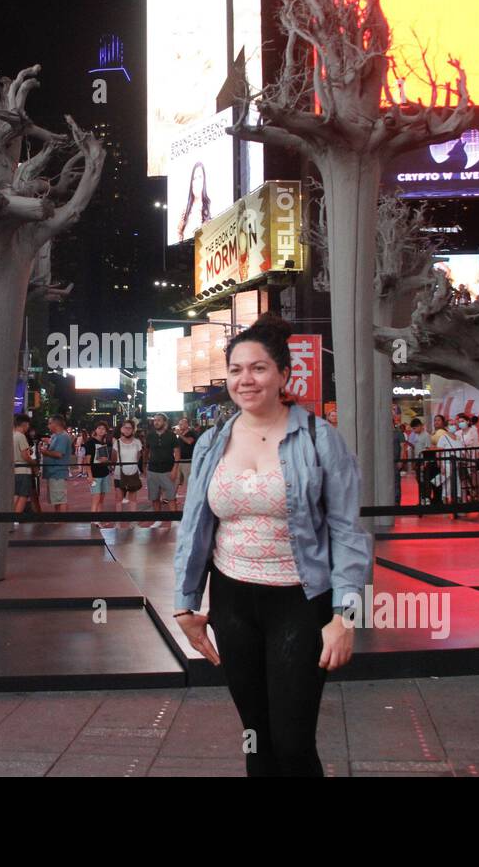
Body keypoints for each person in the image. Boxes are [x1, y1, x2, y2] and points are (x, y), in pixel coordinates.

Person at [173, 313, 372, 777]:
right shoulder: (211, 443)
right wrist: (185, 606)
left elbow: (347, 532)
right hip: (232, 602)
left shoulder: (321, 438)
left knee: (293, 741)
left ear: (283, 374)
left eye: (259, 368)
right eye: (237, 369)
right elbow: (195, 526)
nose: (246, 379)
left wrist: (346, 616)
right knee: (256, 737)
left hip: (301, 603)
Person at [144, 413, 178, 526]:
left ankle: (175, 520)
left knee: (171, 497)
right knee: (154, 497)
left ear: (165, 422)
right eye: (155, 420)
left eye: (159, 420)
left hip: (168, 470)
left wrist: (174, 469)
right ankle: (158, 520)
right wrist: (144, 466)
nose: (156, 422)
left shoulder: (172, 435)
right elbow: (146, 451)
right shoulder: (150, 435)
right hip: (152, 470)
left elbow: (177, 453)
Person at [83, 422, 114, 525]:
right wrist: (89, 475)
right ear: (95, 429)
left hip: (104, 473)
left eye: (103, 429)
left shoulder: (103, 443)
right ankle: (94, 520)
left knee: (101, 499)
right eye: (99, 428)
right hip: (95, 475)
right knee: (95, 498)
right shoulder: (90, 442)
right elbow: (87, 460)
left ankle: (99, 519)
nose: (101, 430)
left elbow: (104, 460)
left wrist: (107, 461)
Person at [40, 415, 73, 512]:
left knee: (60, 499)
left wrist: (44, 452)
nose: (48, 426)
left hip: (57, 472)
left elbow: (59, 454)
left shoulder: (62, 436)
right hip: (52, 472)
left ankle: (61, 521)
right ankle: (58, 519)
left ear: (56, 424)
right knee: (56, 499)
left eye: (50, 423)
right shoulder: (55, 436)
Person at [113, 419, 144, 516]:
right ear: (122, 429)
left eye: (129, 428)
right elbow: (113, 458)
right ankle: (118, 520)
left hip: (133, 472)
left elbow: (139, 456)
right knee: (119, 498)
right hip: (119, 474)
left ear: (133, 430)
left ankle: (132, 520)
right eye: (125, 428)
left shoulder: (137, 442)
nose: (127, 430)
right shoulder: (117, 442)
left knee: (133, 499)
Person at [176, 161, 212, 240]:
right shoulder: (186, 210)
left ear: (204, 180)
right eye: (194, 178)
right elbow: (179, 233)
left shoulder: (209, 206)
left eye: (200, 177)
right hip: (187, 249)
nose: (197, 181)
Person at [11, 414, 34, 520]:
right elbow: (25, 455)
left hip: (13, 469)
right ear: (24, 424)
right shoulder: (21, 436)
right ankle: (16, 519)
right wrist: (33, 462)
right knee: (23, 495)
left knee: (15, 494)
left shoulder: (11, 435)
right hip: (23, 470)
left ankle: (11, 517)